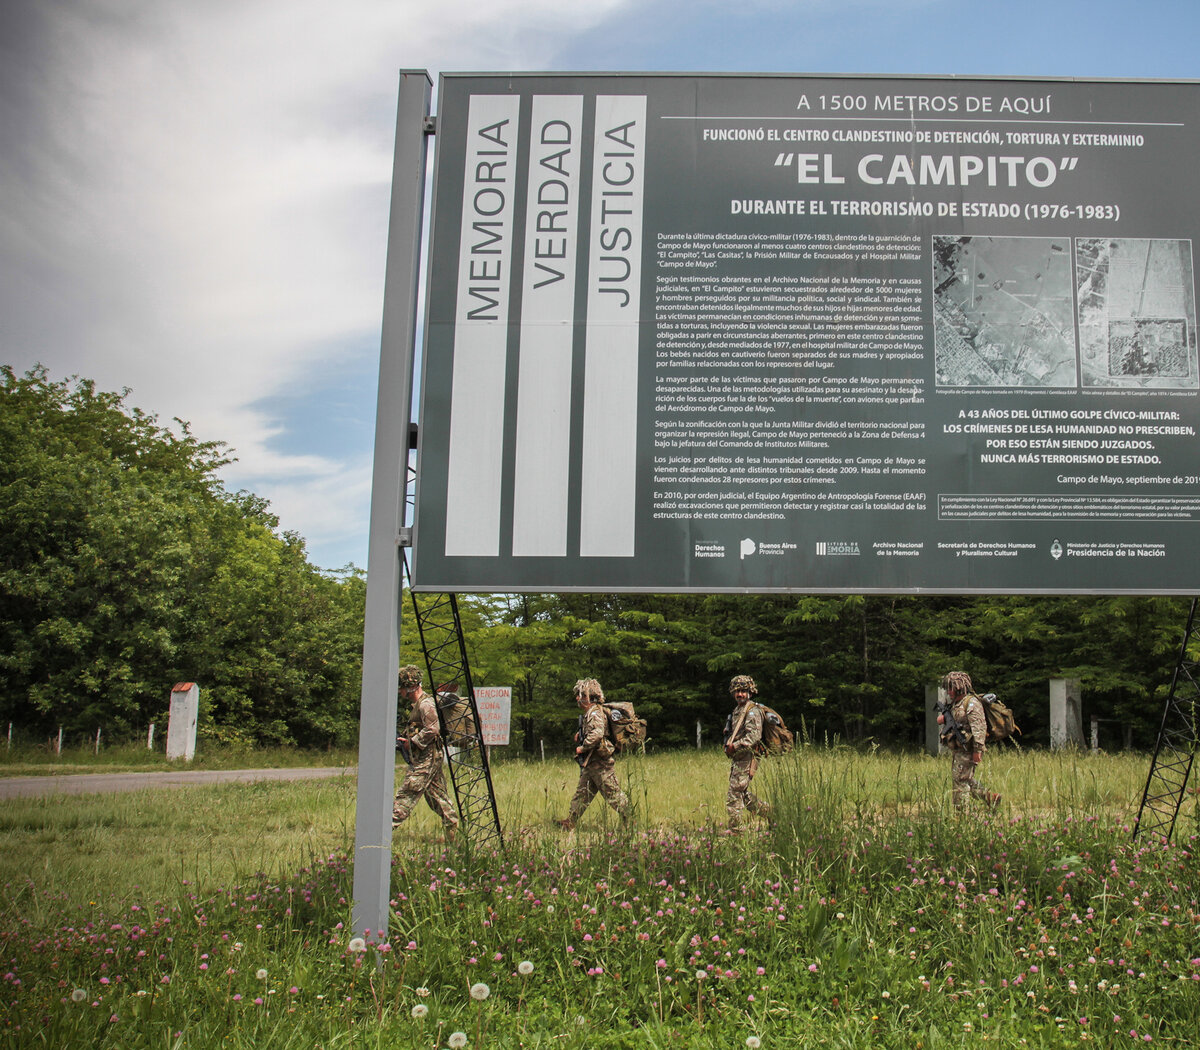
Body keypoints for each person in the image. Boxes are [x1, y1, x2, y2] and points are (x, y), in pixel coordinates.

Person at [392, 664, 459, 838]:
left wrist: (411, 742)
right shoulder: (419, 705)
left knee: (408, 791)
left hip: (427, 757)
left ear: (410, 687)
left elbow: (433, 729)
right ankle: (452, 830)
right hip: (428, 756)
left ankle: (381, 831)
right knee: (436, 795)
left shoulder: (426, 704)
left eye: (402, 688)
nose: (400, 692)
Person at [558, 678, 631, 830]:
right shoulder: (590, 713)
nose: (577, 699)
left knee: (612, 793)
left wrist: (583, 747)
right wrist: (580, 735)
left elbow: (597, 733)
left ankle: (630, 820)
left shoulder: (595, 713)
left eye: (581, 696)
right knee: (582, 793)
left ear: (589, 697)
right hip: (592, 763)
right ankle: (570, 821)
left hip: (600, 763)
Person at [938, 670, 1001, 812]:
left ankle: (962, 815)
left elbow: (979, 728)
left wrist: (978, 751)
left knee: (960, 780)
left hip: (968, 749)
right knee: (964, 778)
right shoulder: (956, 703)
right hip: (958, 749)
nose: (948, 691)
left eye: (951, 688)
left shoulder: (972, 703)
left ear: (959, 687)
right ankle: (990, 797)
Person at [723, 674, 771, 830]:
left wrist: (735, 746)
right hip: (739, 758)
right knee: (743, 794)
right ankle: (772, 814)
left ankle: (736, 828)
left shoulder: (752, 711)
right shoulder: (738, 710)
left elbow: (754, 736)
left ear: (750, 691)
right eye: (737, 691)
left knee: (734, 793)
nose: (740, 694)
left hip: (747, 757)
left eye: (743, 691)